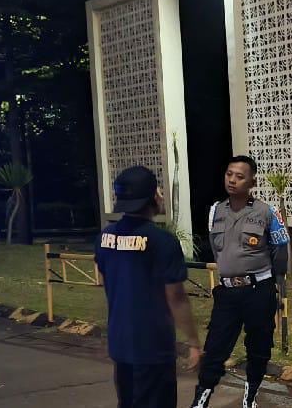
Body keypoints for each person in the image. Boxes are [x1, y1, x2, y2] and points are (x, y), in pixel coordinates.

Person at [94, 166, 202, 408]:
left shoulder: (104, 238)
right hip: (153, 348)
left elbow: (105, 280)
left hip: (121, 343)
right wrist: (194, 343)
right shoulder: (162, 242)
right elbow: (176, 297)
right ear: (154, 197)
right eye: (159, 191)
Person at [191, 155, 290, 408]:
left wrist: (274, 285)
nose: (232, 180)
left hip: (258, 290)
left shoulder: (267, 212)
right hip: (227, 293)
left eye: (239, 176)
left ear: (252, 182)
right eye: (229, 174)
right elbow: (217, 249)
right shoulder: (216, 211)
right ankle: (200, 400)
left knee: (259, 347)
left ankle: (250, 397)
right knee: (215, 348)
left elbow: (280, 249)